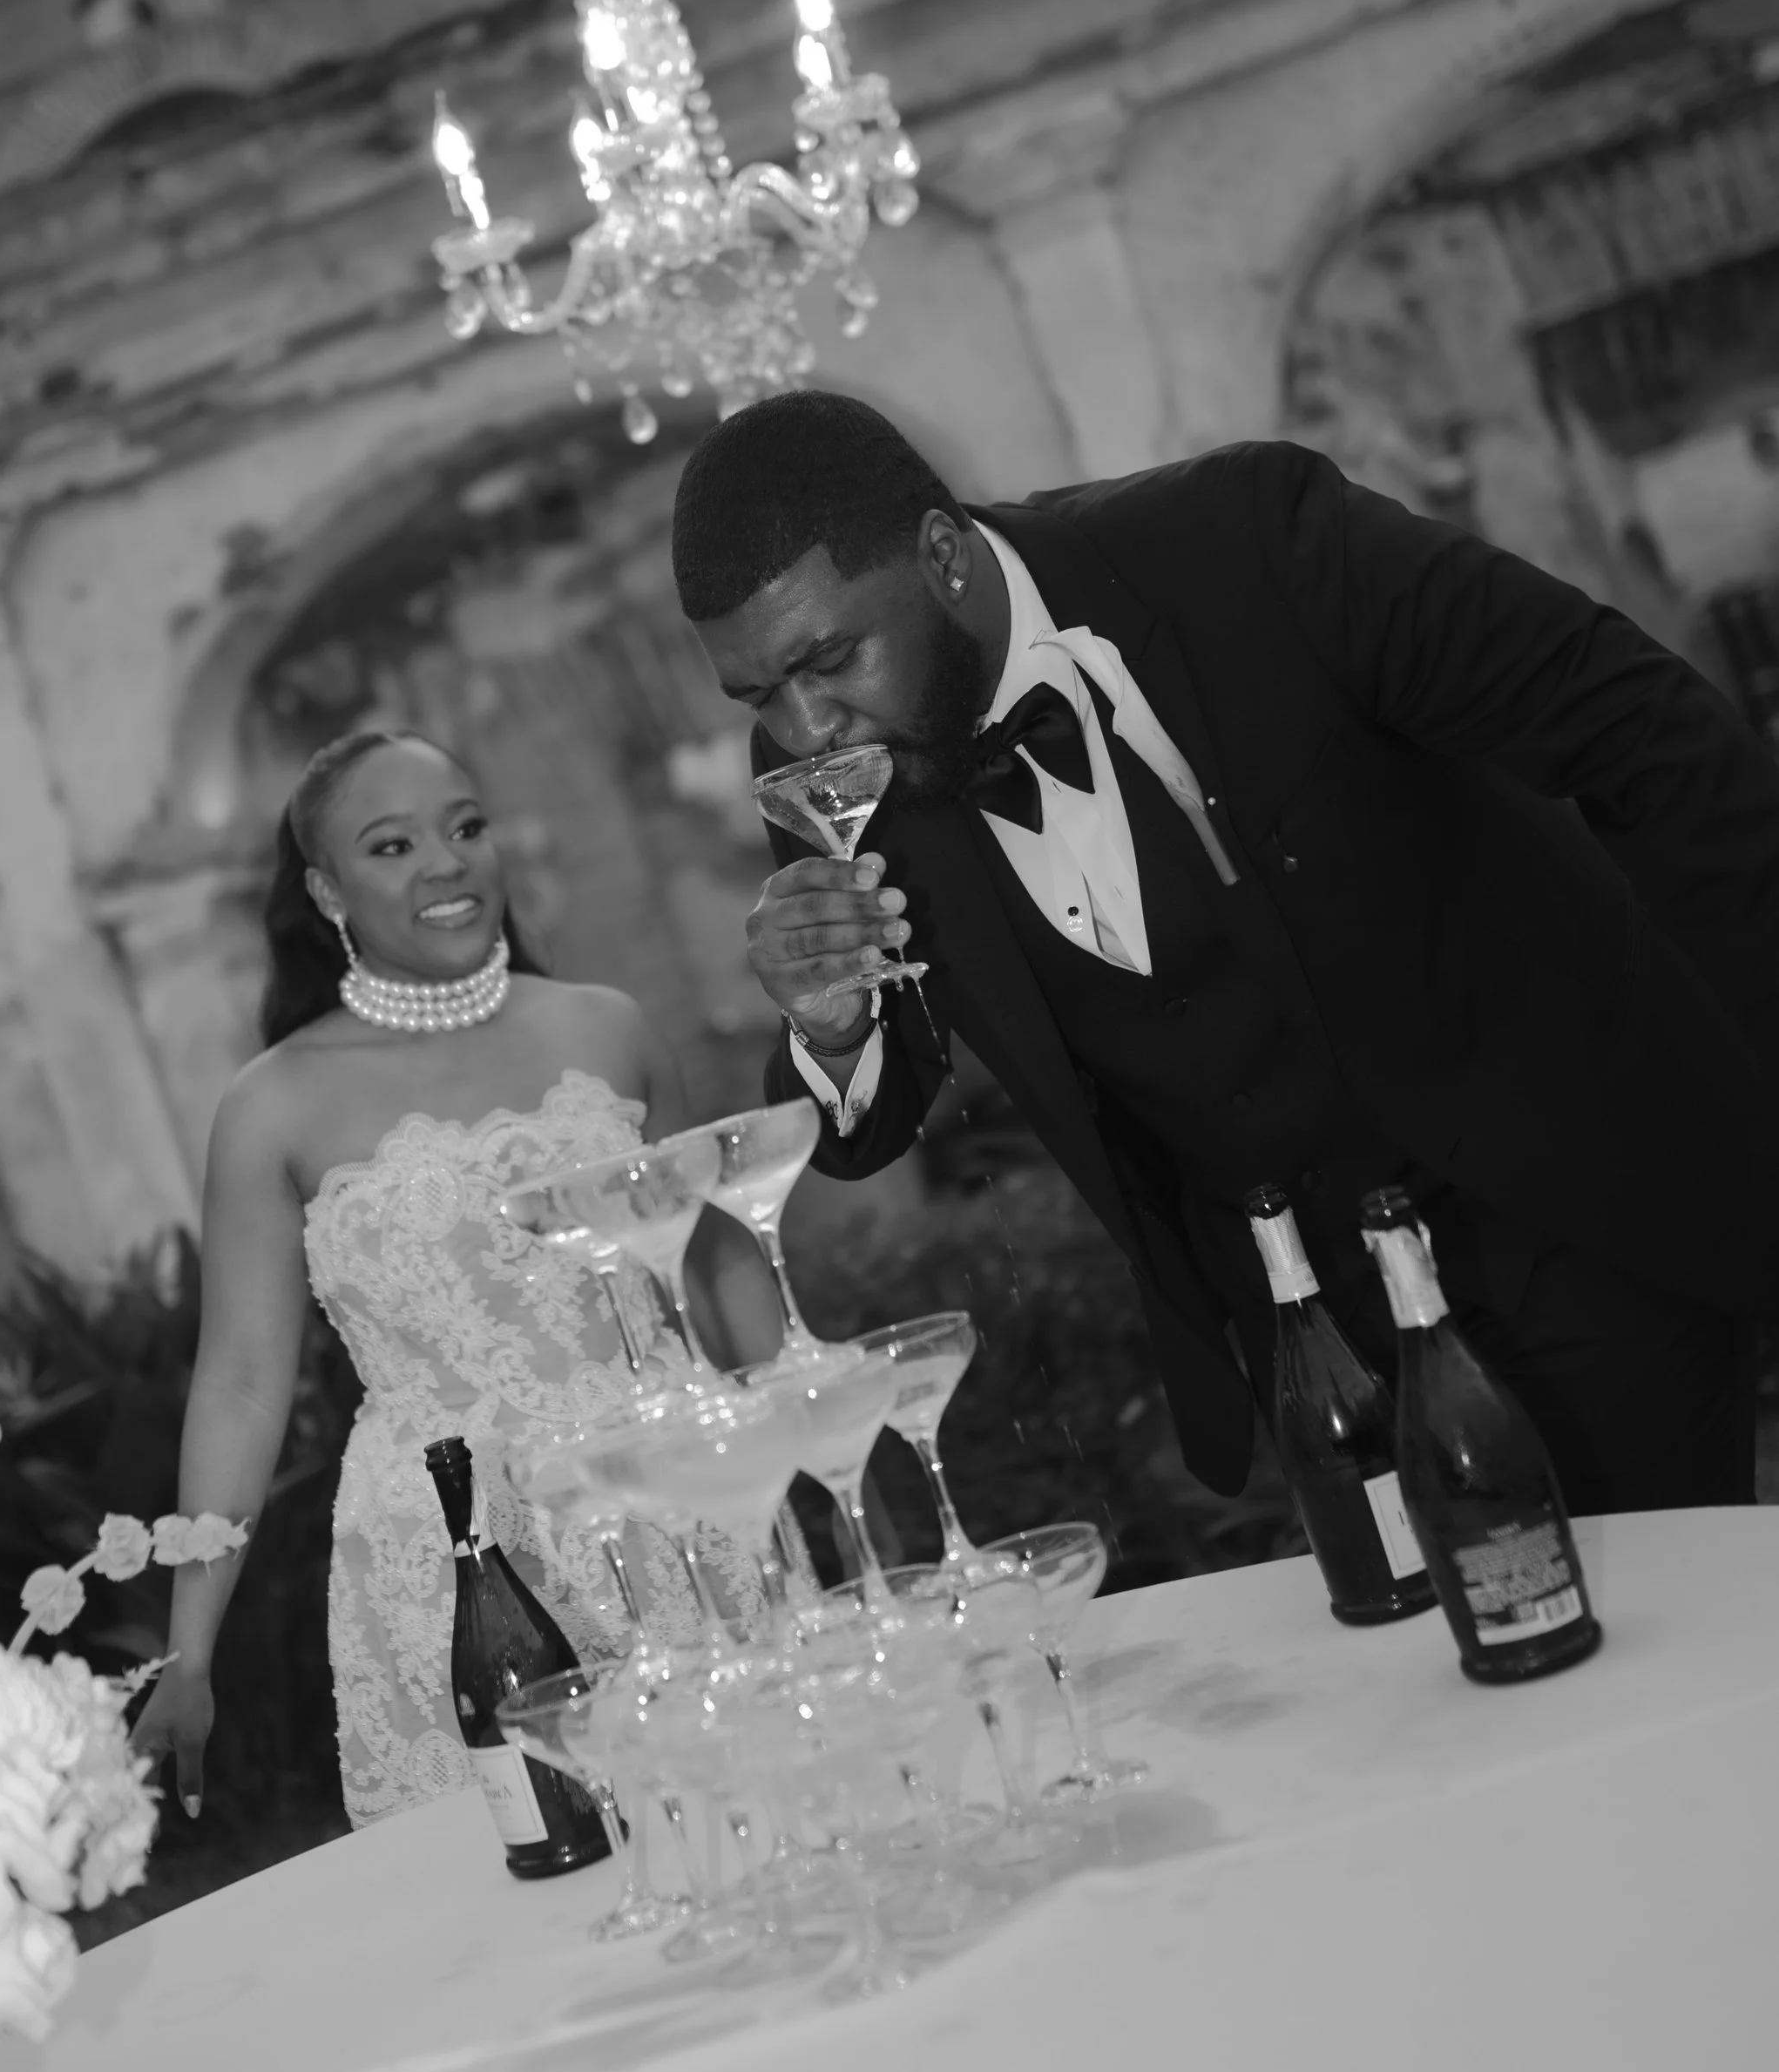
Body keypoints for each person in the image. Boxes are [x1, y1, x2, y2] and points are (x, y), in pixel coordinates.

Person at [671, 387, 1779, 1515]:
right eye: (760, 693)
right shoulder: (836, 779)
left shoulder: (1252, 543)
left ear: (945, 556)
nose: (805, 729)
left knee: (1660, 1660)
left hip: (1577, 1229)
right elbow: (875, 1112)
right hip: (1323, 1362)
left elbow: (1644, 731)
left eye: (832, 659)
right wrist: (830, 1023)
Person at [131, 727, 772, 1829]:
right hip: (451, 1554)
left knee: (758, 1815)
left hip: (669, 1496)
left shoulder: (605, 1029)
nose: (445, 863)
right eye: (392, 847)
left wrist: (805, 1461)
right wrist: (187, 1651)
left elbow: (714, 1260)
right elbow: (239, 1381)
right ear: (327, 891)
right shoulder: (273, 1105)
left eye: (465, 828)